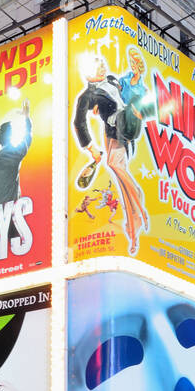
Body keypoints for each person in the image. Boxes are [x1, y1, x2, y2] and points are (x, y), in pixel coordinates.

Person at [71, 52, 148, 254]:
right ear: (88, 73)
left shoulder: (113, 80)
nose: (103, 66)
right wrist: (91, 149)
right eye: (98, 65)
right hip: (112, 132)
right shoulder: (87, 96)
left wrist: (135, 78)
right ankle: (134, 224)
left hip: (125, 127)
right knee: (116, 168)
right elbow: (78, 122)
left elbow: (127, 94)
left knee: (115, 167)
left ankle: (136, 217)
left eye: (103, 63)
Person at [0, 100, 32, 213]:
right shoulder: (13, 154)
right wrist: (26, 118)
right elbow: (27, 139)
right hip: (9, 214)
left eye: (0, 132)